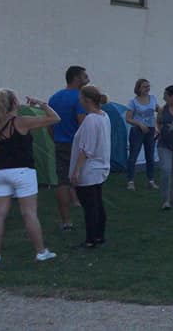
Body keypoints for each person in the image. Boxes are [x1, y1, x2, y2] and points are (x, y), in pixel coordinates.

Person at [0, 89, 59, 263]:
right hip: (22, 171)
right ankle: (40, 252)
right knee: (29, 213)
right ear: (13, 103)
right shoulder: (21, 121)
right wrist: (41, 104)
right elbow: (55, 118)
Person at [48, 65, 90, 231]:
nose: (88, 79)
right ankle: (91, 217)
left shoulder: (54, 98)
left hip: (60, 144)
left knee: (63, 182)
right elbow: (82, 124)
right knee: (86, 180)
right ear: (76, 78)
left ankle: (66, 222)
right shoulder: (80, 98)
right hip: (77, 145)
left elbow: (50, 125)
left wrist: (56, 139)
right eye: (85, 76)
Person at [70, 86, 111, 249]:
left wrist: (76, 171)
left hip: (90, 169)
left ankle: (90, 239)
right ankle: (99, 236)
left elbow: (86, 149)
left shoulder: (91, 120)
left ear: (86, 100)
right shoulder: (104, 116)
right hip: (100, 166)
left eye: (81, 98)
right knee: (97, 203)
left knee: (90, 206)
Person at [125, 79, 159, 190]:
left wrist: (158, 126)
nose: (147, 88)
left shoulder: (153, 99)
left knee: (150, 156)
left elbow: (159, 110)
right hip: (137, 131)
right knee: (133, 156)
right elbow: (128, 118)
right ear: (138, 88)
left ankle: (151, 180)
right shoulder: (133, 102)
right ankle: (130, 181)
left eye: (148, 86)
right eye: (145, 86)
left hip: (150, 130)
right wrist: (140, 124)